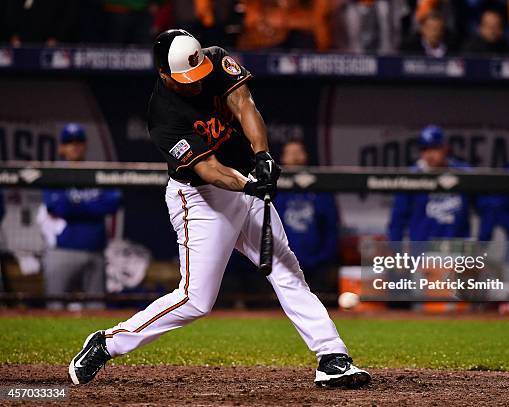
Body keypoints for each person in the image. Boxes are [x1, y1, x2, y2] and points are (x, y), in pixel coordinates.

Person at [68, 29, 370, 389]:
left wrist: (262, 156)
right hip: (201, 199)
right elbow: (209, 170)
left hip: (243, 182)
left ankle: (331, 357)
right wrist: (250, 184)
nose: (195, 85)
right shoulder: (163, 116)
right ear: (164, 74)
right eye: (186, 80)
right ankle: (107, 343)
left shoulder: (212, 59)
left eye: (198, 75)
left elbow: (244, 104)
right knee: (195, 301)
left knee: (286, 269)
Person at [37, 124, 121, 310]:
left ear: (85, 145)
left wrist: (75, 205)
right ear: (61, 147)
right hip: (62, 251)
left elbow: (113, 203)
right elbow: (58, 207)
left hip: (95, 251)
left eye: (78, 141)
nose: (74, 146)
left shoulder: (97, 172)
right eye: (68, 142)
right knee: (54, 308)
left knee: (96, 310)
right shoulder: (54, 174)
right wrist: (93, 207)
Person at [388, 125, 497, 242]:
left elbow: (488, 208)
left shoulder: (463, 174)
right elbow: (398, 218)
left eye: (434, 148)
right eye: (425, 149)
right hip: (422, 252)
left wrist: (483, 241)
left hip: (456, 252)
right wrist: (396, 250)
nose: (429, 155)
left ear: (445, 148)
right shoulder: (412, 177)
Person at [274, 139, 339, 294]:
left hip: (317, 265)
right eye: (291, 153)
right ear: (282, 158)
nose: (295, 157)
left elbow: (331, 228)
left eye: (299, 152)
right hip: (282, 263)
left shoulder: (320, 189)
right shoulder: (274, 189)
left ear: (306, 156)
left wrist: (323, 258)